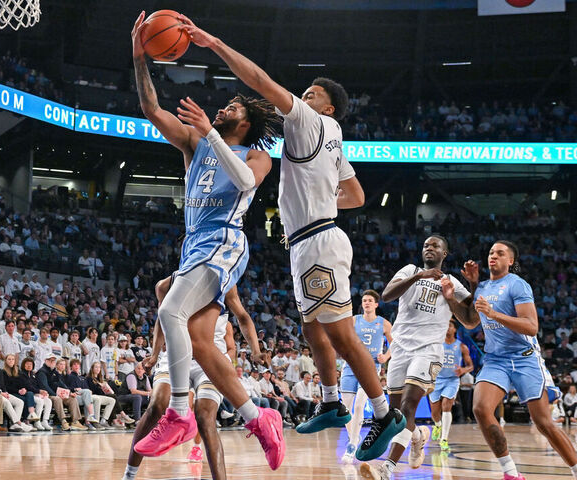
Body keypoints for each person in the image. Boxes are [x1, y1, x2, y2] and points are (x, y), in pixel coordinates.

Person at [177, 14, 404, 461]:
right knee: (313, 329)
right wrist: (321, 198)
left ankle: (383, 414)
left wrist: (214, 42)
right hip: (307, 240)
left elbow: (259, 80)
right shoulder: (333, 136)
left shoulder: (307, 121)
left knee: (339, 333)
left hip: (318, 240)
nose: (302, 96)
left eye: (311, 94)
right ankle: (332, 401)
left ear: (327, 108)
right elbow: (356, 194)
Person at [131, 11, 284, 469]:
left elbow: (243, 183)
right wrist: (139, 57)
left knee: (168, 310)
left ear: (245, 122)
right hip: (195, 244)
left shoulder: (256, 155)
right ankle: (260, 419)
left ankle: (179, 412)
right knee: (199, 340)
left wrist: (212, 132)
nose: (223, 108)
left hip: (224, 242)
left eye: (232, 109)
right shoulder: (196, 146)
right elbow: (151, 109)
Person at [458, 240, 577, 480]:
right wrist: (472, 285)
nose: (493, 256)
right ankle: (511, 473)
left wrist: (493, 314)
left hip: (524, 359)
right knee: (480, 408)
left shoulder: (518, 285)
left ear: (510, 261)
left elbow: (531, 327)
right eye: (491, 252)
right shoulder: (481, 287)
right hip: (496, 360)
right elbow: (472, 321)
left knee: (543, 422)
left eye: (500, 253)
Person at [124, 277, 261, 480]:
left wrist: (256, 351)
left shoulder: (224, 280)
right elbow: (162, 320)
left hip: (209, 358)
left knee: (205, 417)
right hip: (175, 354)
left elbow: (242, 316)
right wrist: (154, 354)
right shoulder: (165, 285)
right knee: (157, 405)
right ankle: (129, 475)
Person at [360, 236, 474, 479]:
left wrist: (461, 292)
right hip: (401, 349)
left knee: (408, 405)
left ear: (445, 252)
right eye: (425, 245)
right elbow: (388, 295)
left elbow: (471, 321)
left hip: (429, 349)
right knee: (396, 415)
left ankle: (387, 468)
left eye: (435, 246)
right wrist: (417, 277)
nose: (429, 248)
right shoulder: (410, 270)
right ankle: (418, 436)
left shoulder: (451, 281)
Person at [341, 290, 393, 463]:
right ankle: (353, 437)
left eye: (370, 300)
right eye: (364, 300)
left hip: (371, 366)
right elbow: (343, 338)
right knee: (345, 409)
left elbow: (395, 344)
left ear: (376, 304)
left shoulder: (384, 323)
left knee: (360, 405)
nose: (367, 303)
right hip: (350, 365)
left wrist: (385, 357)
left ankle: (353, 444)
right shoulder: (354, 320)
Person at [429, 320, 473, 452]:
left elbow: (471, 366)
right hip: (436, 380)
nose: (447, 328)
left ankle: (444, 439)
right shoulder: (436, 344)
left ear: (455, 330)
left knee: (446, 406)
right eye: (445, 325)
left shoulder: (461, 346)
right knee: (435, 412)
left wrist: (463, 370)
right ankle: (437, 425)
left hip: (452, 380)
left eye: (450, 326)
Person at [0, 349, 32, 432]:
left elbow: (3, 384)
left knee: (20, 402)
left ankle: (14, 425)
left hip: (2, 392)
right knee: (6, 402)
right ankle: (18, 423)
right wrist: (0, 392)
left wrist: (5, 392)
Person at [35, 353, 87, 431]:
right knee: (57, 399)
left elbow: (61, 384)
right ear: (46, 361)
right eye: (50, 360)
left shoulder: (53, 371)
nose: (52, 362)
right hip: (47, 394)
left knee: (72, 399)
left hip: (57, 393)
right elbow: (45, 386)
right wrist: (56, 394)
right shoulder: (42, 372)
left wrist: (69, 393)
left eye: (54, 360)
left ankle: (75, 422)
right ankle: (63, 421)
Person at [18, 357, 53, 431]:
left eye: (30, 364)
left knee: (48, 401)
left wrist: (43, 392)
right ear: (23, 365)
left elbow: (36, 385)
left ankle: (45, 421)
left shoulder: (33, 375)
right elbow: (28, 386)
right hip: (27, 394)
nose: (29, 365)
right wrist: (39, 391)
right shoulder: (21, 374)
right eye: (27, 364)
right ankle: (37, 421)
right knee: (40, 401)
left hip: (34, 393)